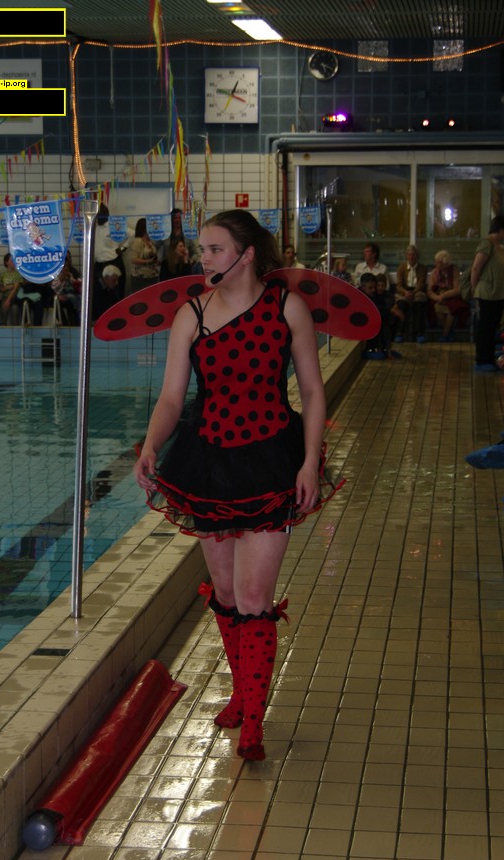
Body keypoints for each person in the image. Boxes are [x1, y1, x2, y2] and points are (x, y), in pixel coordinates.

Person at [134, 209, 338, 761]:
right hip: (207, 464)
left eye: (214, 249)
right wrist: (151, 445)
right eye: (202, 249)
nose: (202, 259)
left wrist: (310, 461)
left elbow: (312, 392)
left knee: (253, 597)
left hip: (271, 460)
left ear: (246, 255)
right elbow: (172, 398)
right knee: (225, 594)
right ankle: (243, 692)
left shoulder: (286, 308)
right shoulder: (192, 314)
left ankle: (254, 720)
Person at [470, 215, 504, 372]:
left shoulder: (499, 247)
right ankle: (482, 359)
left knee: (492, 327)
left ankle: (489, 358)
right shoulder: (487, 244)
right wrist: (474, 289)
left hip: (497, 293)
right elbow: (476, 268)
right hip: (487, 293)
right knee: (485, 327)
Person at [427, 250, 465, 343]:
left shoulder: (454, 271)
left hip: (452, 296)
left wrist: (444, 296)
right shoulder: (434, 273)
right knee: (437, 308)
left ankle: (445, 334)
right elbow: (430, 291)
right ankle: (449, 332)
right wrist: (437, 298)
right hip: (438, 297)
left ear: (445, 263)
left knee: (452, 310)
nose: (435, 264)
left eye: (438, 262)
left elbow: (457, 289)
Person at [393, 244, 428, 343]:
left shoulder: (423, 268)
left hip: (417, 291)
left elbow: (421, 284)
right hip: (404, 291)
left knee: (418, 304)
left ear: (417, 256)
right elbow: (399, 285)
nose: (411, 257)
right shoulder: (401, 267)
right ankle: (399, 332)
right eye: (409, 254)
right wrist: (405, 292)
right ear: (406, 256)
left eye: (414, 255)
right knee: (401, 305)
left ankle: (419, 333)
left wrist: (413, 292)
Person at [94, 204, 126, 300]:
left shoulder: (114, 226)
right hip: (99, 264)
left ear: (106, 215)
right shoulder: (93, 228)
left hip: (113, 262)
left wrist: (123, 248)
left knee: (116, 293)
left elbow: (132, 234)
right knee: (99, 294)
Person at [129, 217, 160, 291]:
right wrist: (148, 261)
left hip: (152, 277)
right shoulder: (138, 242)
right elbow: (133, 259)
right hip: (140, 279)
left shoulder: (151, 242)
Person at [51, 250, 81, 325]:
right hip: (58, 295)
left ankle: (76, 323)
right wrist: (61, 279)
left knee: (75, 300)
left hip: (71, 294)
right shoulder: (55, 274)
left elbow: (78, 284)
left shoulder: (73, 273)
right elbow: (52, 287)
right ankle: (65, 324)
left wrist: (71, 279)